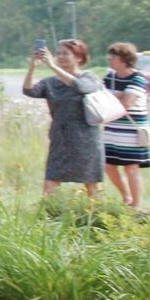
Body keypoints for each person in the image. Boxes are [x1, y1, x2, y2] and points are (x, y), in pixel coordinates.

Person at [22, 38, 105, 197]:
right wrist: (33, 66)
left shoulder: (89, 77)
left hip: (85, 137)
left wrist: (52, 66)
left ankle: (97, 216)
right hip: (60, 136)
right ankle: (47, 216)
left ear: (79, 58)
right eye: (58, 53)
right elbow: (29, 91)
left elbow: (80, 87)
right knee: (51, 179)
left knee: (92, 181)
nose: (60, 56)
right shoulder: (51, 82)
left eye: (65, 53)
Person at [102, 42, 150, 207]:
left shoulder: (138, 78)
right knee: (108, 166)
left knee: (131, 167)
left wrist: (113, 97)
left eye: (114, 56)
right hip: (112, 127)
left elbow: (127, 103)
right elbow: (99, 96)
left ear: (124, 59)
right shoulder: (110, 76)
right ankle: (126, 197)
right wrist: (119, 95)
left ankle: (136, 206)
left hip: (131, 130)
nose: (110, 59)